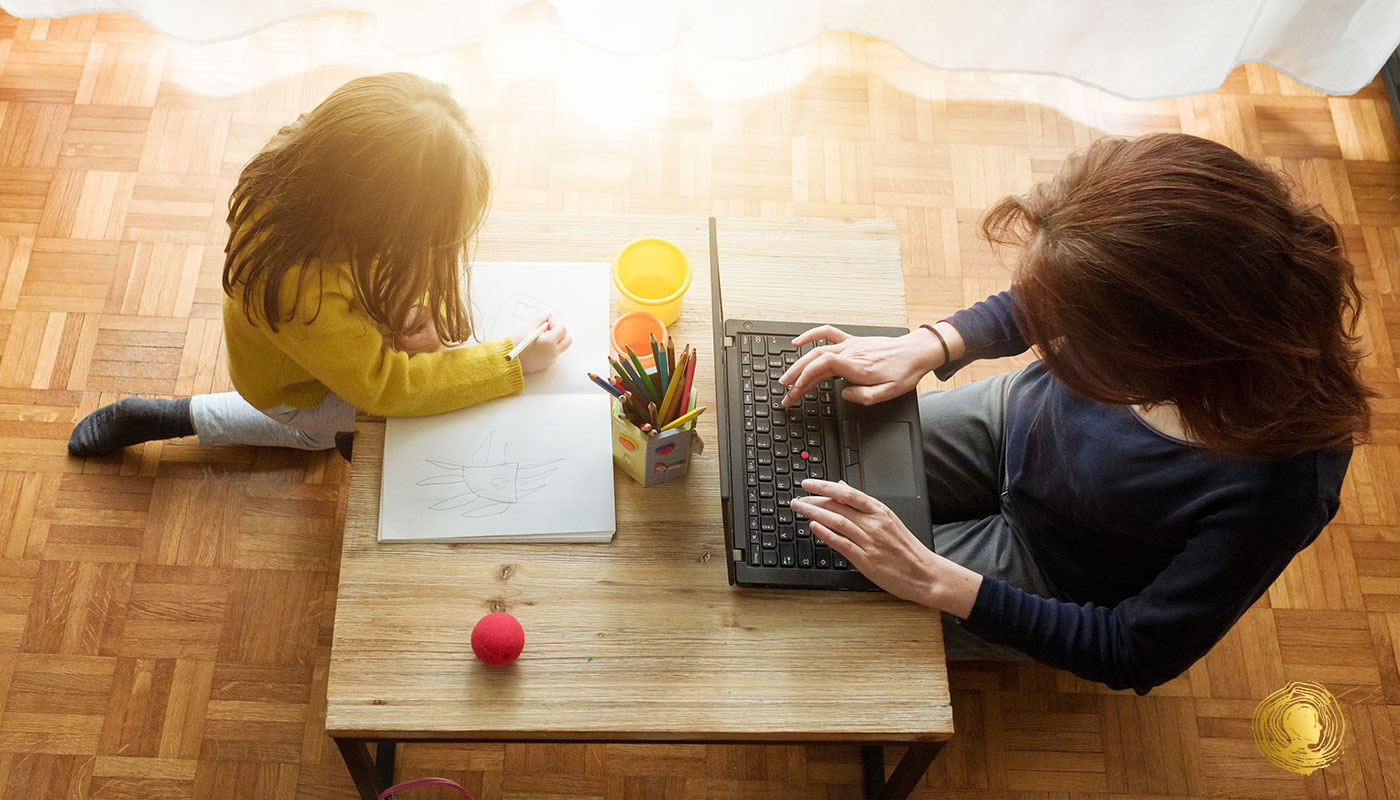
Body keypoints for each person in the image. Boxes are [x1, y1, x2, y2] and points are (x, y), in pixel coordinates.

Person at [777, 133, 1372, 694]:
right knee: (807, 468)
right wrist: (934, 342)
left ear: (1175, 348)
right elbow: (1067, 290)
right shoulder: (1186, 288)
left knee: (824, 585)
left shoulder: (1281, 489)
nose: (1058, 346)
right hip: (1009, 425)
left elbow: (1135, 652)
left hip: (1054, 568)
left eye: (1091, 343)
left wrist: (934, 580)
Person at [68, 73, 570, 460]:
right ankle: (175, 417)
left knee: (359, 416)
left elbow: (363, 294)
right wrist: (511, 362)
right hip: (291, 389)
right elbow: (384, 388)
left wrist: (399, 309)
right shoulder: (304, 290)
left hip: (314, 347)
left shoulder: (310, 166)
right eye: (424, 238)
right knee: (323, 435)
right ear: (377, 220)